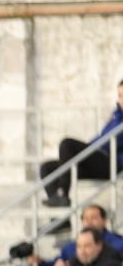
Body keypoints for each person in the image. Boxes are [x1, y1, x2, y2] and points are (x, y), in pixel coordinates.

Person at [38, 78, 123, 206]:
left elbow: (111, 141)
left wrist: (85, 149)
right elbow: (100, 137)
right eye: (120, 96)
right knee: (47, 168)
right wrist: (84, 150)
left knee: (67, 144)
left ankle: (63, 193)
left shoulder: (118, 119)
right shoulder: (117, 115)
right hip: (100, 160)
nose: (122, 100)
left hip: (113, 163)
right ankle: (61, 221)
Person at [25, 203, 123, 266]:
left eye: (93, 218)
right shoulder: (70, 248)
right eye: (85, 219)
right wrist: (40, 263)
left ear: (104, 220)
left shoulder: (118, 244)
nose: (89, 222)